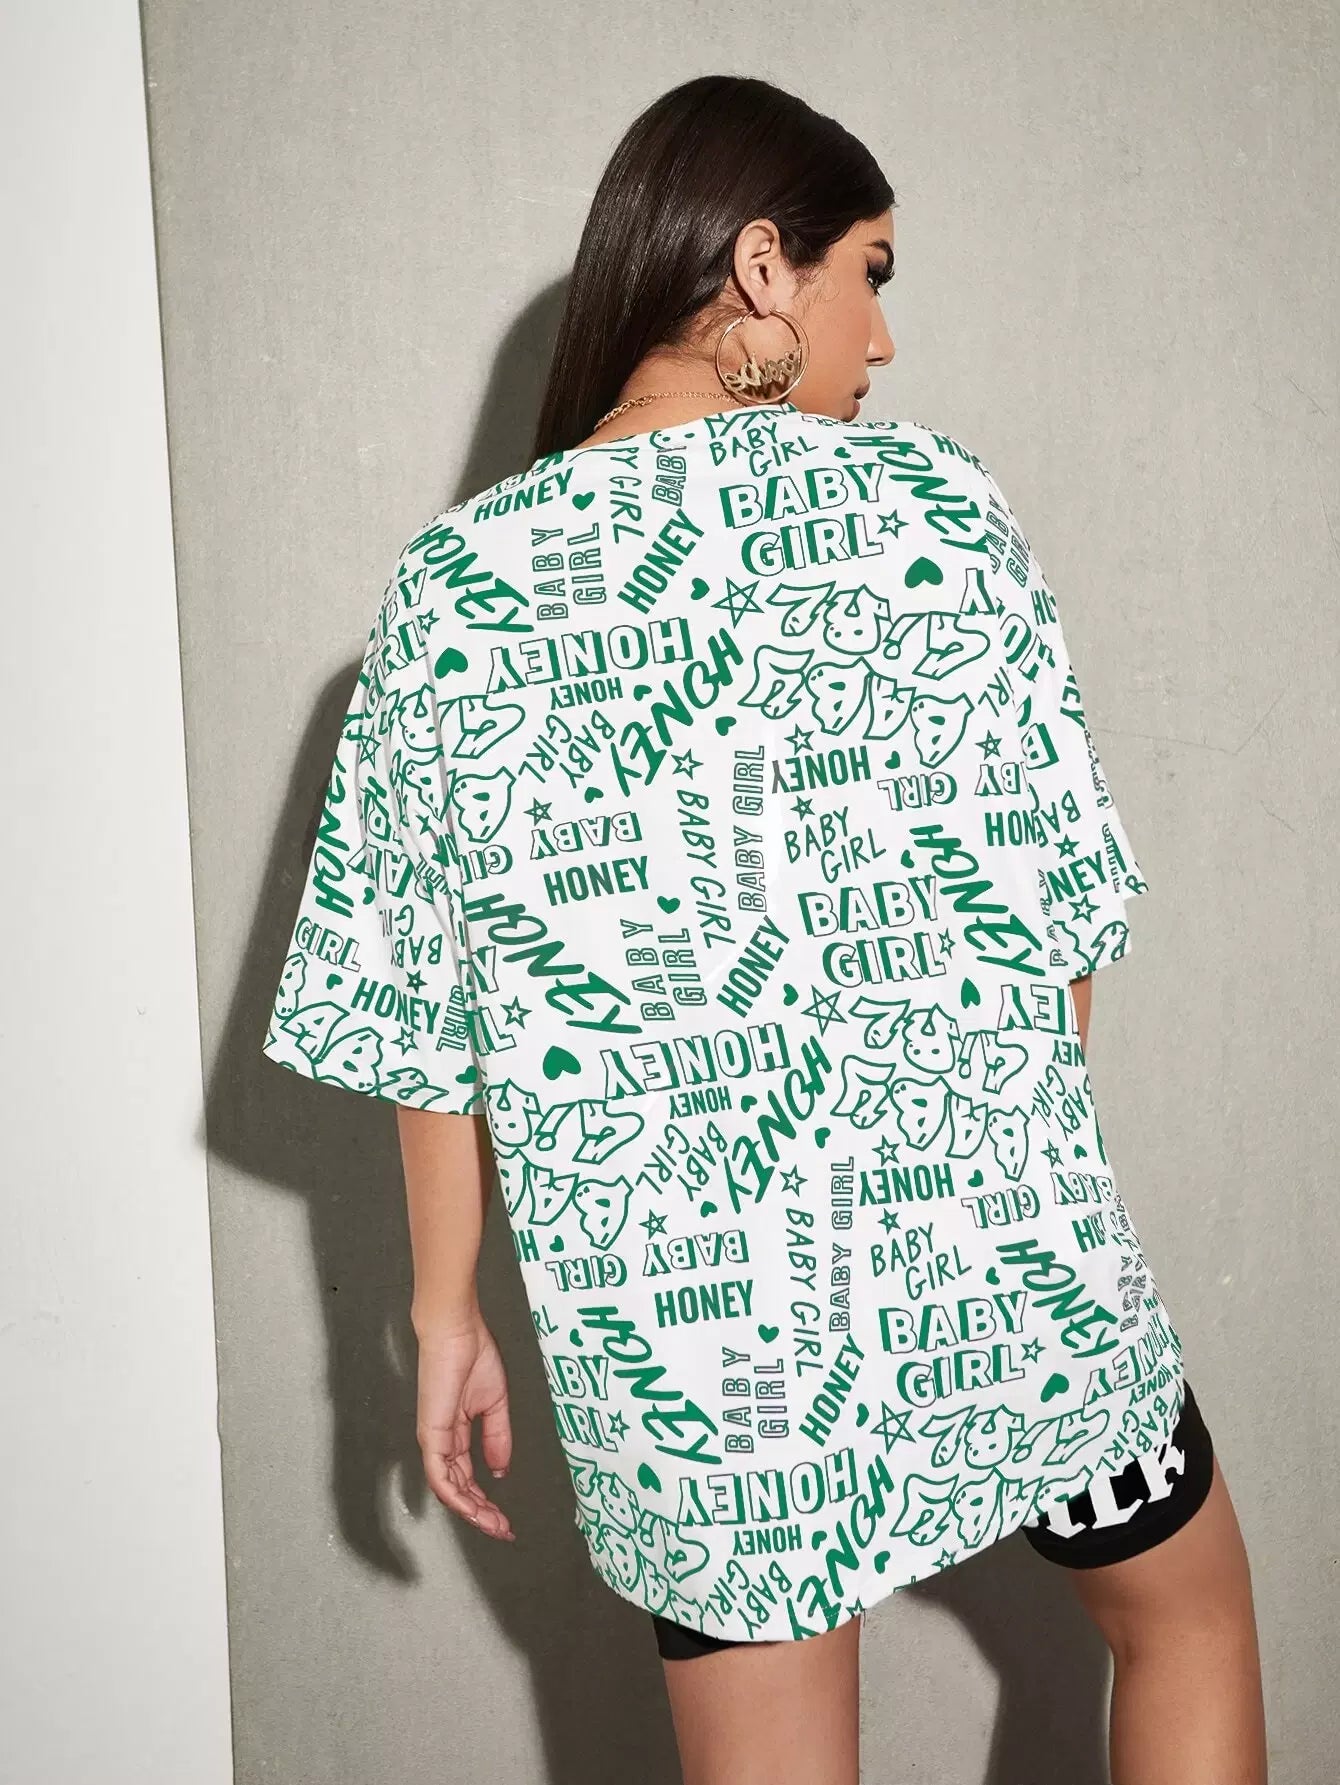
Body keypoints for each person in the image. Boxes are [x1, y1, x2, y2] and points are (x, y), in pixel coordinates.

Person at [260, 73, 1267, 1785]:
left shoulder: (453, 594)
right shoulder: (939, 506)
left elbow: (428, 1008)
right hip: (999, 1260)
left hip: (691, 1345)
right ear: (758, 266)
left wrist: (444, 1314)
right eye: (871, 271)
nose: (884, 339)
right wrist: (1005, 1190)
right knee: (1191, 1624)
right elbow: (1059, 914)